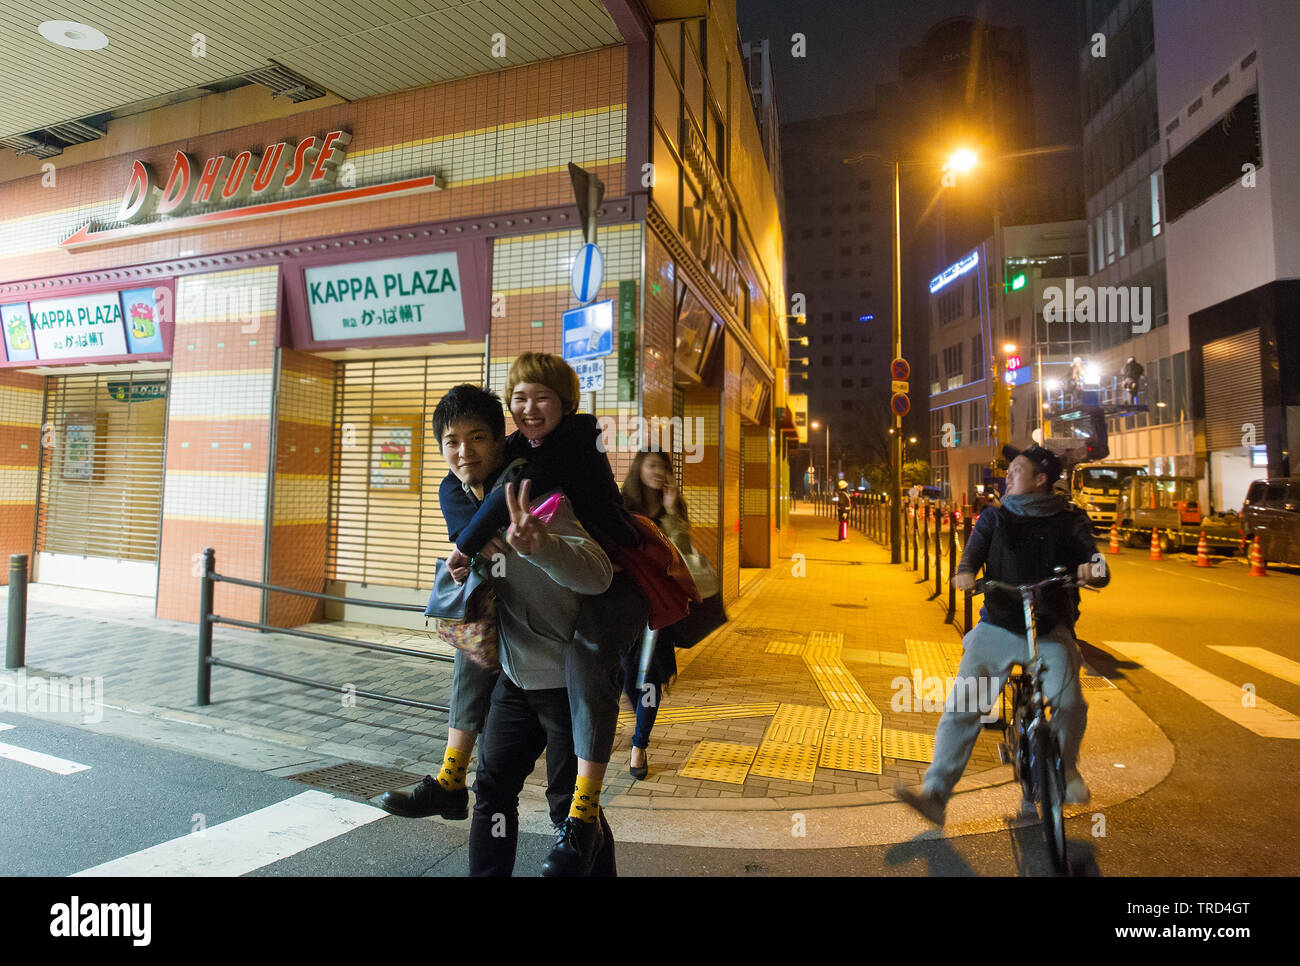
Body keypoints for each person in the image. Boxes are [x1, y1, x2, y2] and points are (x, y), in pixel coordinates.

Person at [386, 355, 648, 874]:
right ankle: (452, 783)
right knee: (493, 792)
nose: (465, 452)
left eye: (478, 438)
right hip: (514, 676)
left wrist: (541, 546)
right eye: (452, 442)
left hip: (564, 678)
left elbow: (596, 574)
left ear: (499, 439)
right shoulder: (461, 499)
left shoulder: (541, 489)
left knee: (566, 810)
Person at [896, 443, 1108, 825]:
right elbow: (972, 554)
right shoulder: (995, 517)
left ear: (1041, 479)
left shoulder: (1067, 519)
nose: (1007, 476)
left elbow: (1093, 557)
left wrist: (1093, 569)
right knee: (964, 706)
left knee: (1071, 701)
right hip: (997, 623)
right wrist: (965, 573)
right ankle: (936, 793)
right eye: (1009, 470)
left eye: (1017, 470)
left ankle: (1068, 769)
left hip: (1049, 628)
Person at [618, 450, 691, 780]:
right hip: (621, 605)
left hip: (659, 611)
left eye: (664, 467)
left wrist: (674, 508)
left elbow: (684, 552)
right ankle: (636, 729)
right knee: (626, 676)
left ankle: (639, 745)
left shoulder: (672, 507)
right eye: (652, 465)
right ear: (639, 468)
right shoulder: (621, 504)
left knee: (649, 679)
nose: (658, 472)